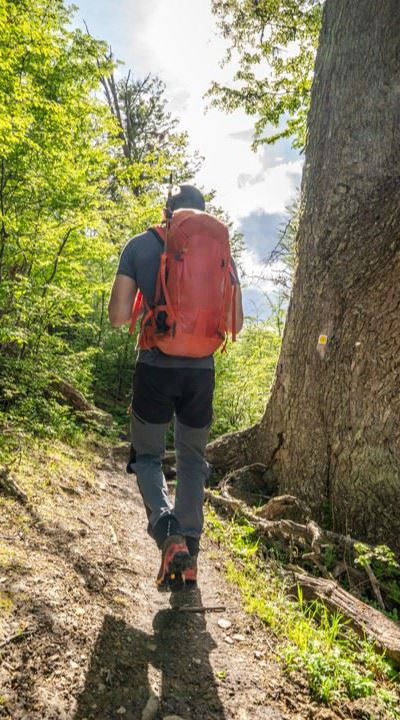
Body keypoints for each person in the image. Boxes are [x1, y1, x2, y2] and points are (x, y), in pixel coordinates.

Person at [107, 184, 245, 590]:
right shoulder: (221, 252)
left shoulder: (141, 244)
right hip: (201, 372)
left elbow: (117, 316)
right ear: (203, 215)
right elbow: (234, 326)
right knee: (191, 459)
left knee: (148, 457)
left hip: (155, 365)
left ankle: (169, 536)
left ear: (167, 212)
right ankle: (191, 557)